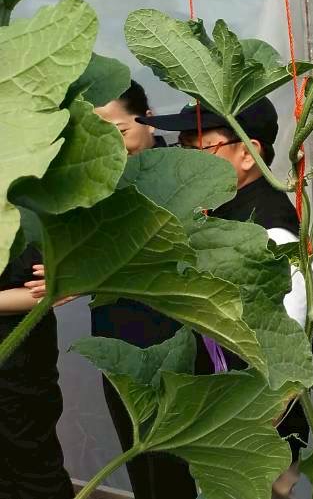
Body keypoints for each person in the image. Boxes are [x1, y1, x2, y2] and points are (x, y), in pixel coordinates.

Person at [139, 99, 309, 499]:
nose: (187, 161)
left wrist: (249, 431)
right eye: (182, 147)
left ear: (249, 153)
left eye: (200, 148)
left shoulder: (272, 231)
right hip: (220, 417)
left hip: (252, 430)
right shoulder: (217, 211)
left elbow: (284, 350)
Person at [88, 82, 204, 499]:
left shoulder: (187, 168)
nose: (114, 145)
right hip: (114, 333)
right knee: (137, 454)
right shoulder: (93, 182)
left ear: (148, 116)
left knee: (174, 463)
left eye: (119, 131)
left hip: (170, 335)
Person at [0, 246, 75, 499]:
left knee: (31, 462)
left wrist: (72, 280)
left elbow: (60, 287)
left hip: (20, 366)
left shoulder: (34, 222)